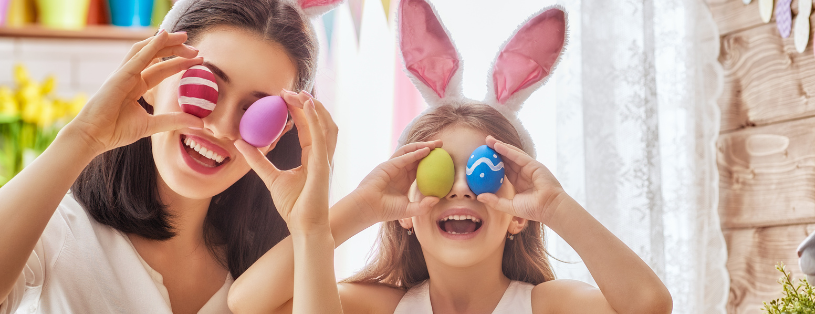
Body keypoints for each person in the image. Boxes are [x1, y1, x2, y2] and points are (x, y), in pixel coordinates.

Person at [228, 0, 673, 313]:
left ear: (520, 215)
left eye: (485, 172)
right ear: (404, 207)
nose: (461, 185)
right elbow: (247, 303)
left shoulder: (546, 306)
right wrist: (354, 210)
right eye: (437, 170)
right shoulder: (380, 306)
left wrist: (555, 207)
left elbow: (649, 305)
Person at [0, 0, 340, 312]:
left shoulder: (264, 275)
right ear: (152, 77)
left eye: (255, 111)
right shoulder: (55, 231)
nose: (221, 128)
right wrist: (84, 137)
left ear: (277, 136)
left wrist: (313, 229)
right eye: (204, 88)